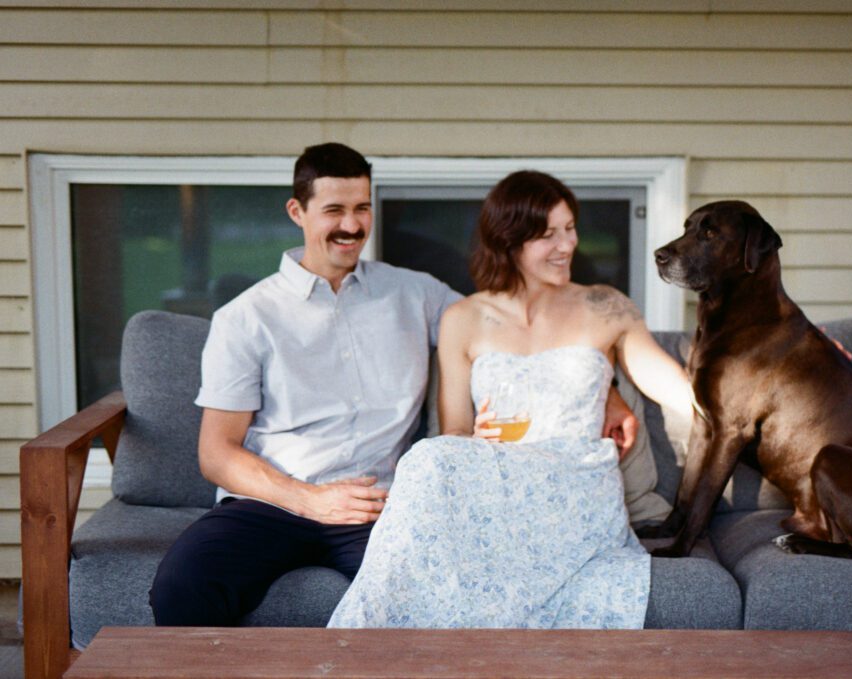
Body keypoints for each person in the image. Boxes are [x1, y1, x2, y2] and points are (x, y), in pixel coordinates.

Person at [149, 144, 636, 626]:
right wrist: (309, 499)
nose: (352, 225)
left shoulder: (416, 293)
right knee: (182, 587)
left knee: (449, 605)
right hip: (273, 505)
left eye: (362, 208)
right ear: (297, 211)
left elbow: (511, 335)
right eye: (334, 210)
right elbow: (216, 454)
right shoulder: (245, 318)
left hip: (385, 509)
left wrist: (603, 387)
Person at [328, 170, 695, 629]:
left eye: (570, 228)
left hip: (575, 483)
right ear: (509, 241)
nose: (567, 246)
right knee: (427, 459)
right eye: (547, 235)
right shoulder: (464, 318)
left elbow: (677, 390)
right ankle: (371, 647)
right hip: (499, 481)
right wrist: (474, 446)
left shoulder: (606, 307)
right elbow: (456, 431)